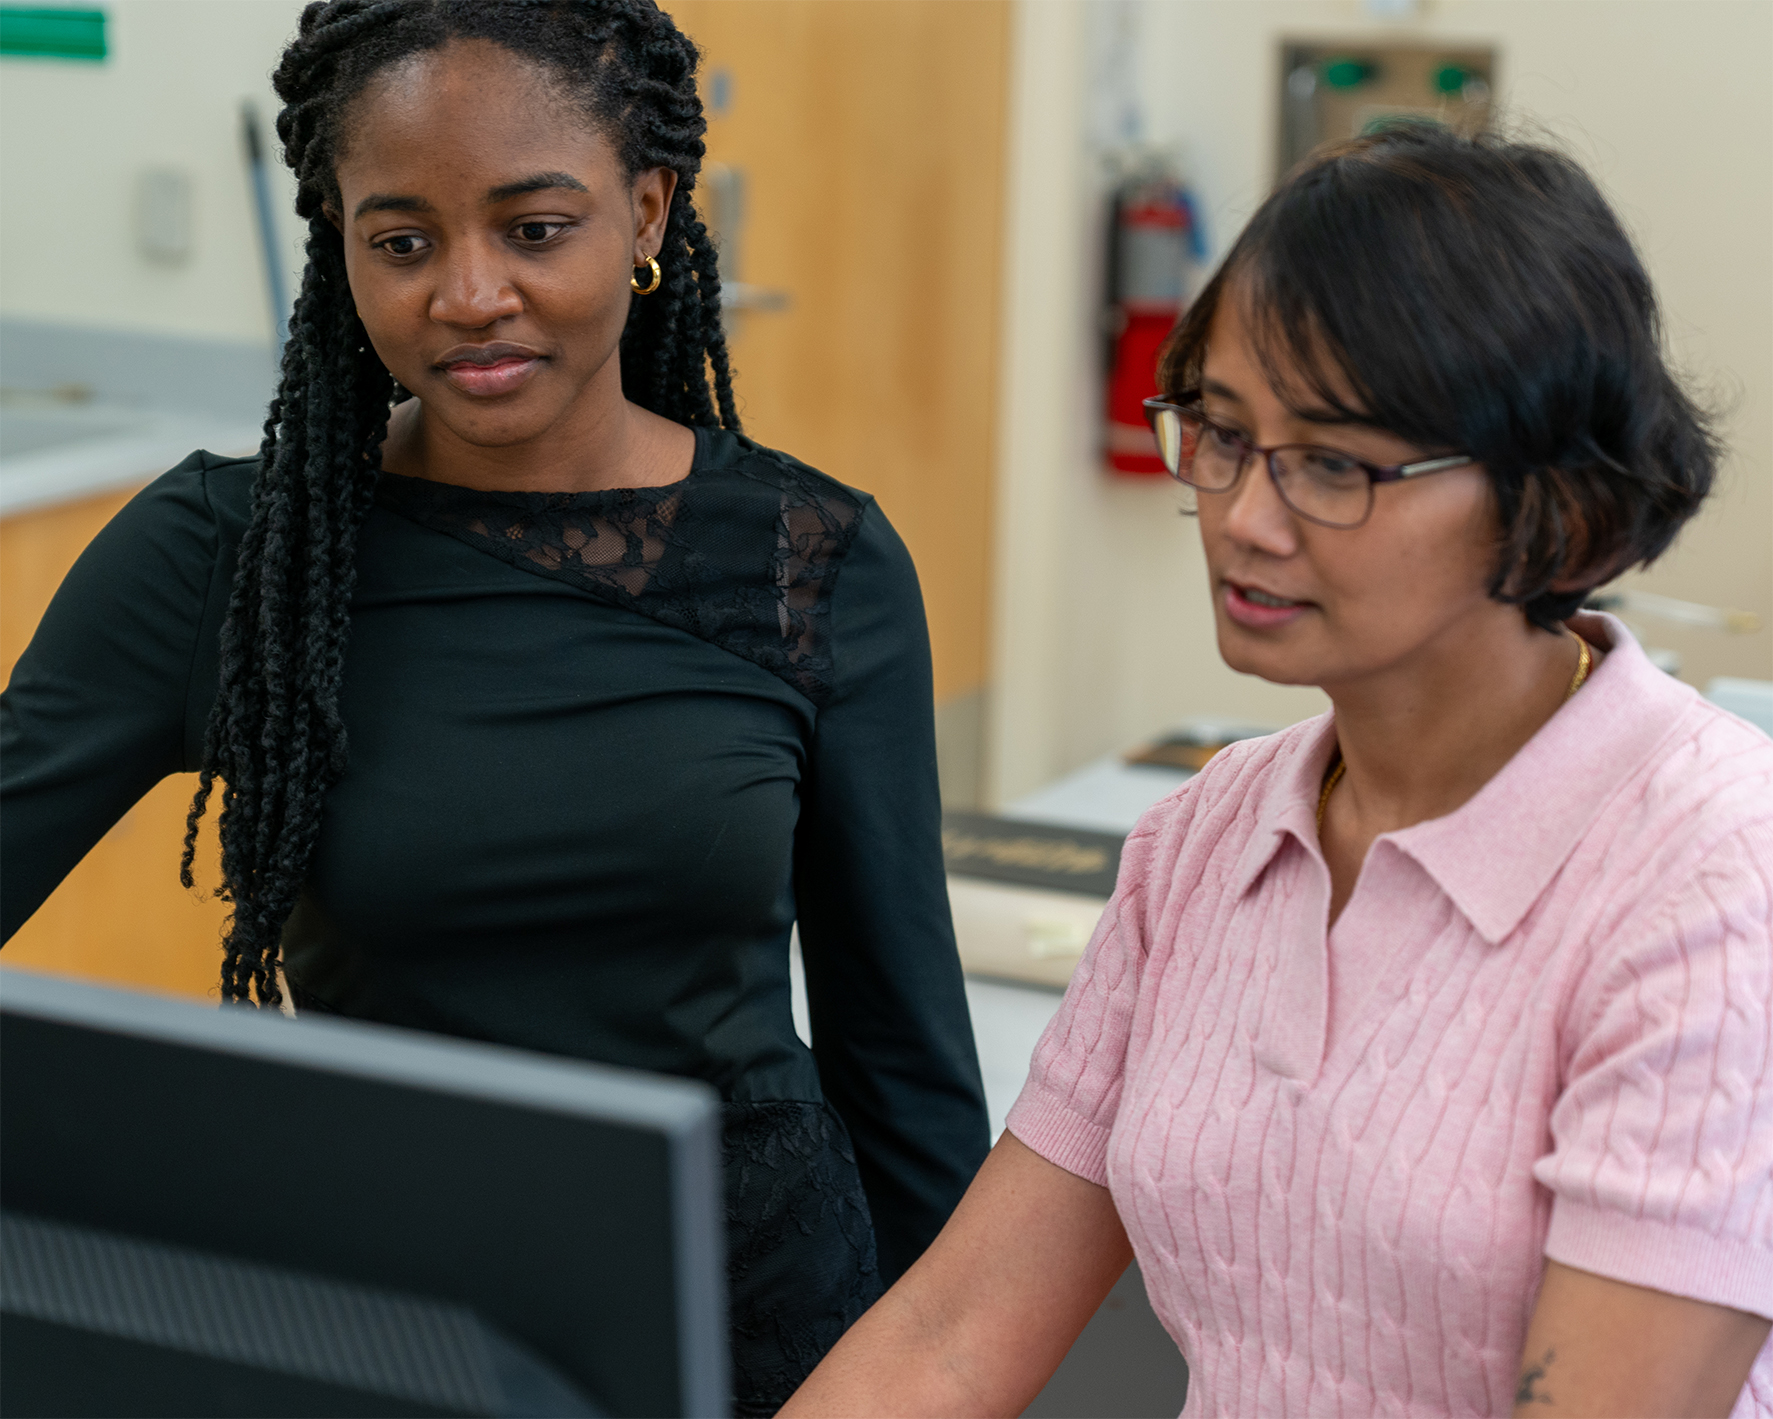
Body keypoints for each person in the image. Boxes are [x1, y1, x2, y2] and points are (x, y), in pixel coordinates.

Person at [0, 2, 989, 1410]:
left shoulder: (810, 559)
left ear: (645, 210)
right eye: (401, 241)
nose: (467, 295)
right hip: (384, 1314)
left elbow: (903, 1069)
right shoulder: (229, 558)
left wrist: (942, 1379)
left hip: (760, 1324)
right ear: (338, 241)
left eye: (533, 229)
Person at [782, 127, 1773, 1418]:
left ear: (1558, 507)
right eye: (1223, 435)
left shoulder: (1710, 879)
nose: (1245, 518)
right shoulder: (1208, 836)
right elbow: (955, 1336)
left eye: (1332, 464)